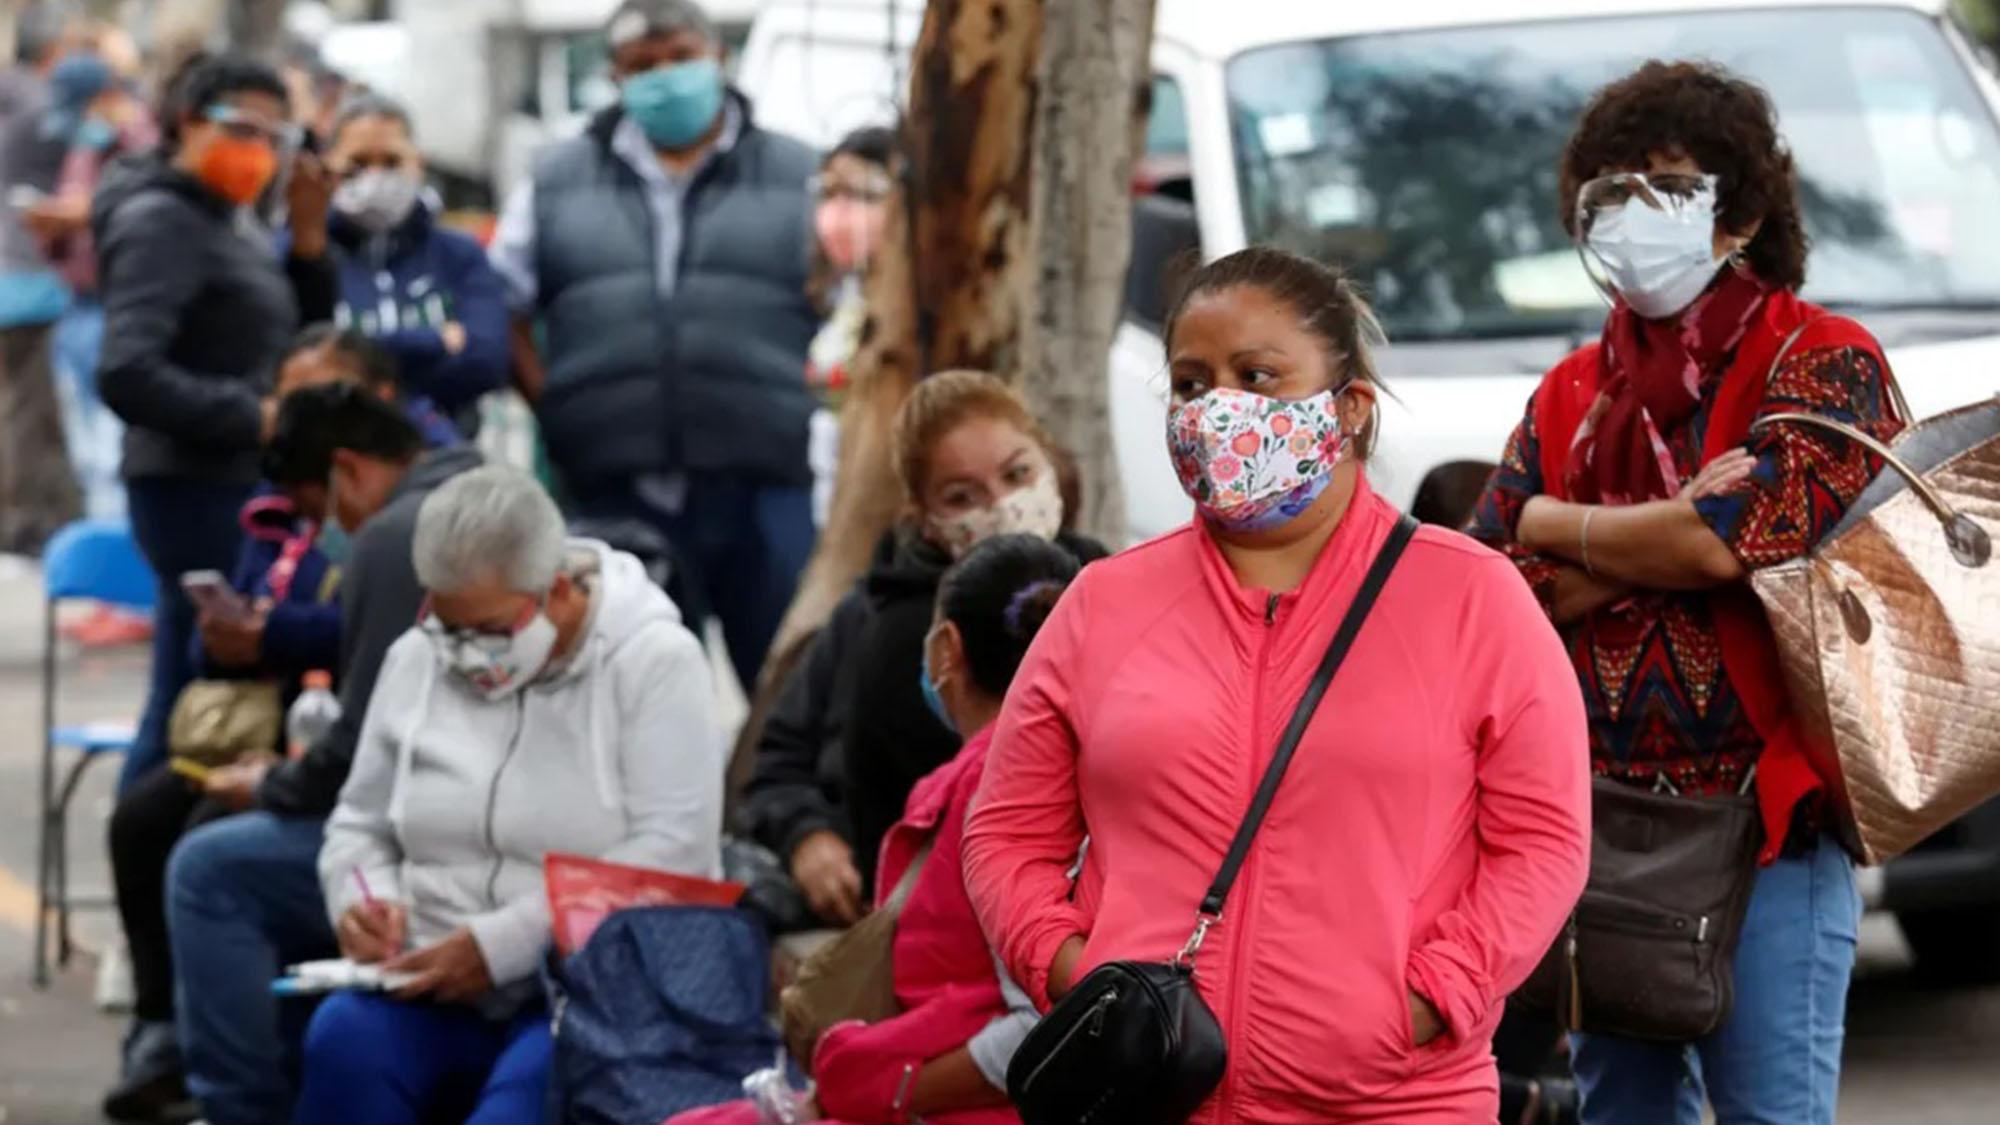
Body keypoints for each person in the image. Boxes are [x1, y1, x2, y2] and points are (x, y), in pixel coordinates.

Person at [961, 247, 1592, 1123]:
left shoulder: (1472, 597)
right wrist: (1074, 969)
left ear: (1351, 411)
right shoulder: (1103, 603)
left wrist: (1430, 998)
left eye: (1257, 375)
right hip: (1152, 1096)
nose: (1218, 407)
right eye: (1190, 382)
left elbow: (1543, 840)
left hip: (1394, 1101)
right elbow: (1004, 833)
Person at [1464, 62, 1901, 1125]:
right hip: (1599, 825)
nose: (1625, 216)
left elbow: (1731, 544)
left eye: (1661, 187)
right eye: (1604, 190)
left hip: (1764, 823)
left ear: (1739, 212)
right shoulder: (1572, 387)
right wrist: (1630, 539)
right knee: (1621, 1114)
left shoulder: (1822, 361)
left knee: (1769, 1113)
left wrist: (1552, 523)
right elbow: (1489, 590)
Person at [293, 465, 723, 1125]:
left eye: (489, 631)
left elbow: (674, 857)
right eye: (447, 625)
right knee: (344, 1042)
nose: (465, 655)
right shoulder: (417, 658)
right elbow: (359, 822)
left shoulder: (654, 662)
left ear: (555, 588)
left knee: (522, 1104)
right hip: (430, 977)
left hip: (588, 990)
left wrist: (501, 945)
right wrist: (361, 898)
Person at [675, 534, 1080, 1125]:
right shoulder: (1061, 764)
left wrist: (887, 1089)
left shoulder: (1003, 790)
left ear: (946, 648)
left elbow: (1044, 1023)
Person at [166, 384, 482, 1125]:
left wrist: (269, 782)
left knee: (205, 870)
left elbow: (361, 754)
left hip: (433, 842)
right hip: (471, 828)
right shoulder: (482, 489)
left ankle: (242, 1108)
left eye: (316, 512)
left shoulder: (396, 534)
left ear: (349, 469)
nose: (324, 532)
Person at [489, 0, 820, 693]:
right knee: (624, 689)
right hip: (615, 486)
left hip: (762, 482)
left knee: (791, 686)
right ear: (614, 76)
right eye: (642, 66)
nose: (664, 79)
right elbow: (503, 306)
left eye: (679, 59)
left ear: (718, 60)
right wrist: (557, 406)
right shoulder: (556, 179)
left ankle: (780, 807)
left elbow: (851, 305)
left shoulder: (799, 175)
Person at [740, 370, 1106, 926]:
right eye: (963, 496)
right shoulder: (877, 625)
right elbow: (777, 761)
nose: (1004, 506)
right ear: (926, 520)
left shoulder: (1103, 586)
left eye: (1018, 474)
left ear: (1049, 464)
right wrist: (807, 836)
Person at [91, 54, 305, 791]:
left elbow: (281, 331)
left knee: (198, 689)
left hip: (233, 477)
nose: (262, 148)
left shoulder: (230, 218)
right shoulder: (162, 219)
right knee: (194, 696)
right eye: (244, 127)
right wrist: (255, 415)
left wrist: (307, 247)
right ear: (189, 121)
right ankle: (151, 871)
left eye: (276, 133)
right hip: (193, 486)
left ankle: (160, 868)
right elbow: (126, 369)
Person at [322, 92, 508, 429]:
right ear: (329, 165)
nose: (375, 177)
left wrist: (351, 352)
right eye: (358, 164)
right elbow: (306, 369)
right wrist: (434, 340)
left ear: (418, 164)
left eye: (392, 162)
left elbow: (487, 363)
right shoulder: (306, 260)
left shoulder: (459, 254)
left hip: (444, 455)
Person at [0, 7, 84, 555]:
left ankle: (41, 515)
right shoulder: (41, 105)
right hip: (27, 279)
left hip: (12, 274)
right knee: (25, 411)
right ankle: (21, 522)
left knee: (21, 408)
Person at [804, 125, 894, 528]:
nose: (840, 214)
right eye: (829, 193)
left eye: (864, 196)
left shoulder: (921, 315)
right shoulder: (846, 296)